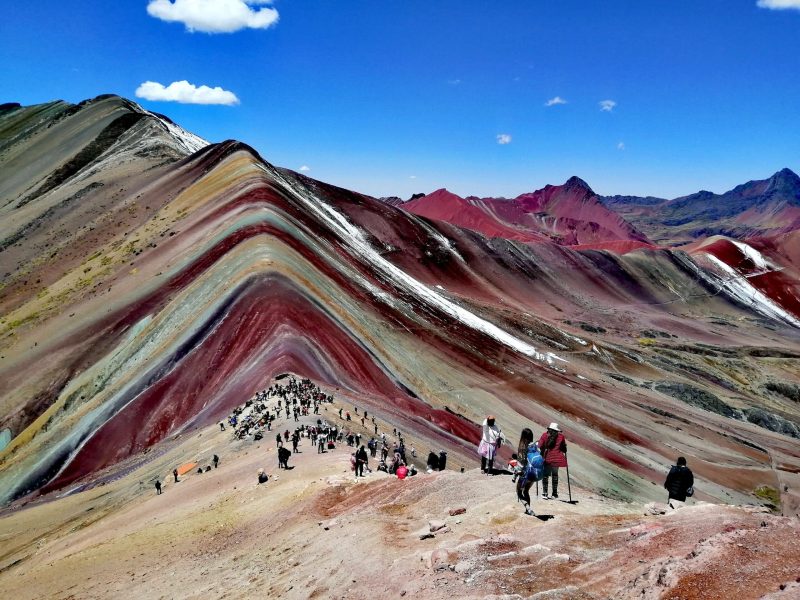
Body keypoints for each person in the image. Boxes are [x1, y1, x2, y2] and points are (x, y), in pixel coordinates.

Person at [515, 428, 541, 516]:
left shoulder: (522, 448)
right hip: (534, 473)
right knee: (526, 491)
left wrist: (517, 472)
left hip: (526, 473)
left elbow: (521, 463)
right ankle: (528, 510)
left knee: (519, 491)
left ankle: (528, 509)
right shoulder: (535, 446)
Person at [538, 423, 567, 499]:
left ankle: (545, 493)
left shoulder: (545, 435)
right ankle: (554, 494)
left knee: (545, 475)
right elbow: (563, 448)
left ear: (549, 429)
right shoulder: (561, 436)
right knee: (555, 475)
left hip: (548, 457)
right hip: (557, 458)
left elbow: (540, 446)